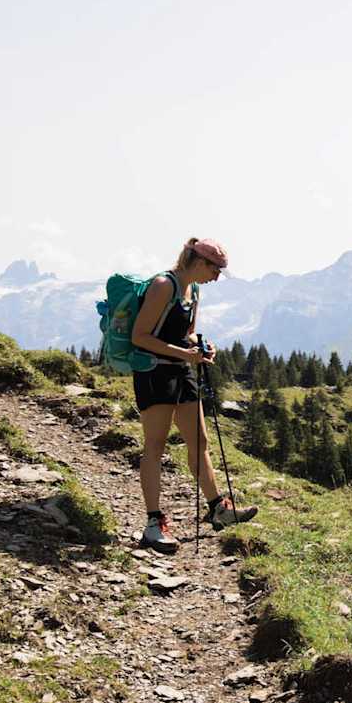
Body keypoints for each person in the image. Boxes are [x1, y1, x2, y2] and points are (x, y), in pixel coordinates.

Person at [130, 237, 257, 553]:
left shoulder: (193, 291)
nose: (216, 277)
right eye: (216, 270)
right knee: (156, 445)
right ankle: (153, 523)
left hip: (183, 370)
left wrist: (200, 346)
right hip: (154, 372)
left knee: (199, 441)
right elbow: (140, 336)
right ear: (200, 262)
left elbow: (186, 333)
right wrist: (184, 354)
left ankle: (219, 509)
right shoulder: (163, 285)